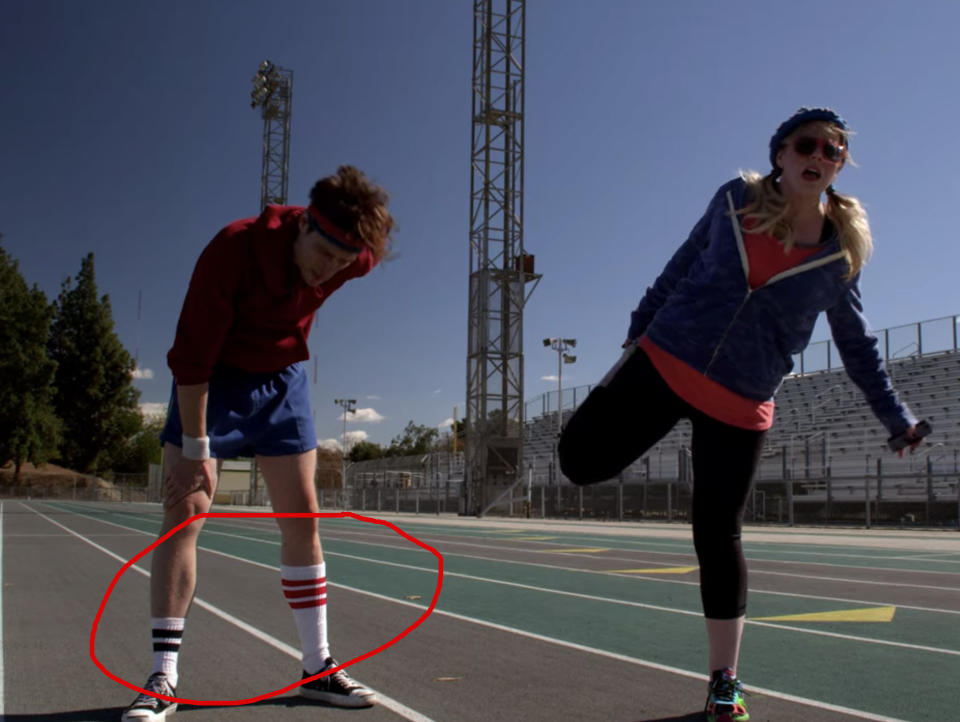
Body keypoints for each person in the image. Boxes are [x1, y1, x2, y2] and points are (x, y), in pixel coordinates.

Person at [557, 108, 923, 722]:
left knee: (717, 532)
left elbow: (858, 345)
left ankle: (724, 681)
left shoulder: (839, 256)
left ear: (837, 167)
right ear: (780, 153)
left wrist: (895, 416)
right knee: (577, 462)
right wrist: (637, 332)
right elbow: (681, 264)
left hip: (740, 398)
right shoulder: (733, 200)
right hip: (668, 359)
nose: (820, 155)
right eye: (808, 144)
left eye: (833, 151)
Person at [121, 165, 395, 721]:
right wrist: (196, 448)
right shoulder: (232, 250)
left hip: (282, 378)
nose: (329, 274)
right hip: (213, 377)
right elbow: (190, 360)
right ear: (302, 226)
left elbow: (356, 254)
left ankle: (317, 667)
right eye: (323, 257)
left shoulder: (353, 257)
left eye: (342, 266)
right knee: (185, 512)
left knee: (304, 517)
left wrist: (342, 261)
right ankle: (162, 677)